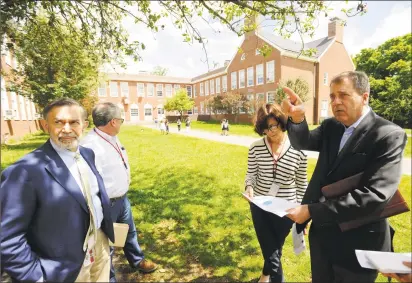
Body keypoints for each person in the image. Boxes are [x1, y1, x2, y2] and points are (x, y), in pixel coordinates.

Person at [282, 71, 407, 283]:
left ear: (365, 96)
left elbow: (375, 195)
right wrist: (297, 118)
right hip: (323, 236)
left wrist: (312, 211)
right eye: (332, 96)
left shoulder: (388, 134)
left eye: (343, 95)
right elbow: (304, 142)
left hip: (358, 242)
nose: (336, 102)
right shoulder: (332, 126)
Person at [0, 98, 114, 282]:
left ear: (84, 125)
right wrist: (34, 277)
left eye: (74, 122)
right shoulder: (23, 172)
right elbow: (7, 237)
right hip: (63, 268)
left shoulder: (87, 154)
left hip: (100, 247)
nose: (67, 129)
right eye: (58, 122)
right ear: (45, 125)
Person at [80, 102, 157, 282]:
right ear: (113, 121)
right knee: (107, 244)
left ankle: (137, 260)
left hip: (122, 199)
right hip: (107, 203)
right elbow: (91, 182)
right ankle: (109, 276)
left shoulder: (111, 136)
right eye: (121, 120)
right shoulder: (91, 145)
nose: (122, 123)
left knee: (129, 232)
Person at [244, 103, 308, 283]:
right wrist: (249, 186)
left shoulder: (299, 150)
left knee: (274, 249)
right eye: (265, 128)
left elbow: (302, 182)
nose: (270, 131)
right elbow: (251, 173)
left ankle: (265, 276)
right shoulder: (255, 148)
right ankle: (275, 278)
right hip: (260, 206)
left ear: (281, 121)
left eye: (273, 125)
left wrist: (304, 212)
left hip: (286, 209)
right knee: (271, 251)